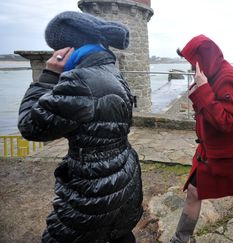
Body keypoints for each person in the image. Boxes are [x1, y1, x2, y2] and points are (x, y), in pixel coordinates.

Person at [17, 11, 143, 243]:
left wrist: (48, 76)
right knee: (119, 233)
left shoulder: (79, 81)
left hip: (93, 187)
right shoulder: (112, 72)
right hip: (124, 176)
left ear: (66, 49)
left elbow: (30, 126)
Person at [169, 35, 233, 243]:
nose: (192, 69)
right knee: (194, 191)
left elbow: (226, 122)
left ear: (205, 57)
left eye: (193, 63)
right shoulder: (212, 74)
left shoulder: (228, 78)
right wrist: (200, 91)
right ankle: (180, 239)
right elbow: (208, 112)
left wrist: (202, 89)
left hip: (232, 152)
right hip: (211, 149)